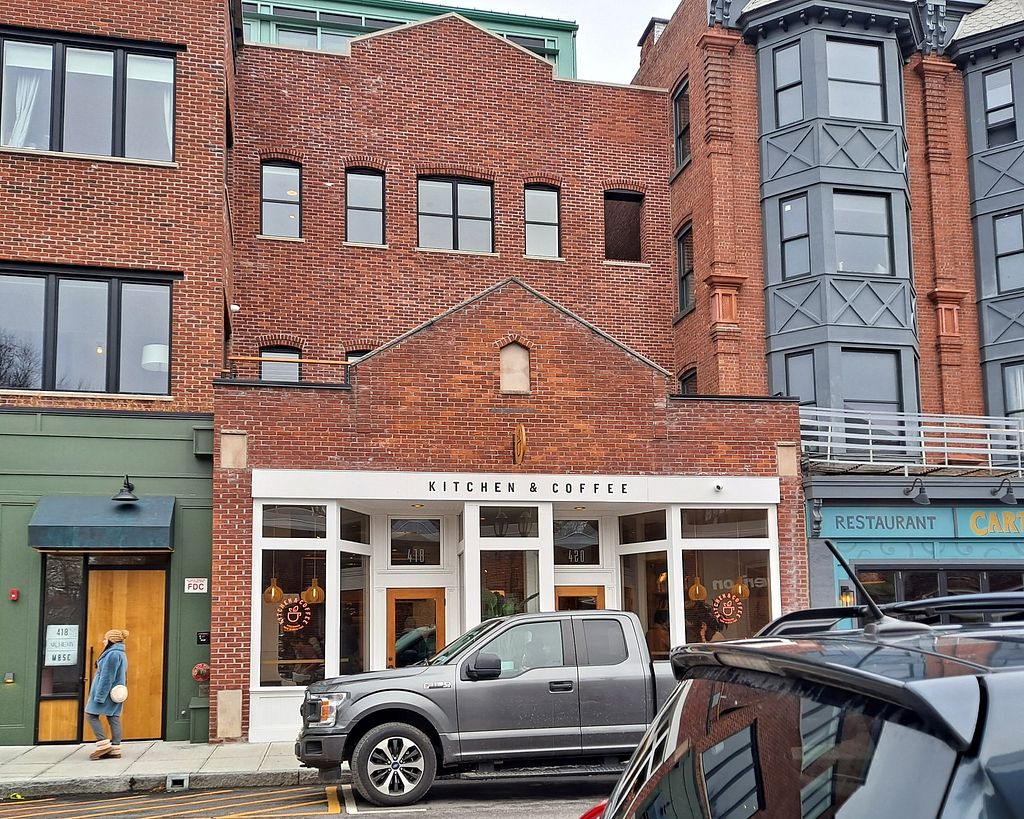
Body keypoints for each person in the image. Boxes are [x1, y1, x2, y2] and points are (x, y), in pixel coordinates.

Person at [85, 628, 129, 760]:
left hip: (106, 693)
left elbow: (107, 677)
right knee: (113, 717)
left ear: (111, 640)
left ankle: (103, 745)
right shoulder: (120, 653)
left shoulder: (112, 654)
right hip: (115, 692)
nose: (103, 641)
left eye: (105, 639)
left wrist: (99, 696)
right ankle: (115, 749)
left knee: (90, 715)